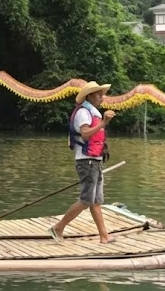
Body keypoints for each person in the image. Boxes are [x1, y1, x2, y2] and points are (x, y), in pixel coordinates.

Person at [49, 80, 117, 244]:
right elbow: (85, 134)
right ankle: (58, 227)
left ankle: (104, 236)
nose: (102, 97)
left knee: (96, 201)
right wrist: (104, 123)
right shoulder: (83, 112)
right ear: (90, 95)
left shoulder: (93, 112)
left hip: (95, 160)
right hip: (86, 161)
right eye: (99, 94)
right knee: (86, 200)